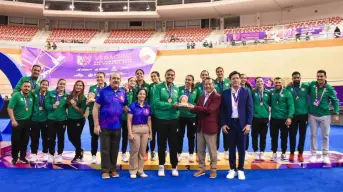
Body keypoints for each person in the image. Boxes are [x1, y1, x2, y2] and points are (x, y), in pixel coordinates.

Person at [93, 72, 128, 179]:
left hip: (117, 126)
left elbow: (125, 107)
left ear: (120, 80)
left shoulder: (123, 92)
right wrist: (96, 125)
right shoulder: (103, 92)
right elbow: (95, 108)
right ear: (110, 80)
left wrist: (136, 112)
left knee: (115, 149)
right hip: (104, 126)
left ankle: (113, 169)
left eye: (118, 78)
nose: (116, 80)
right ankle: (105, 170)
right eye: (114, 78)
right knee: (105, 149)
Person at [220, 71, 253, 180]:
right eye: (233, 78)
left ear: (240, 80)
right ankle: (232, 169)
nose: (235, 80)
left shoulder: (246, 91)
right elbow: (222, 111)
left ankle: (241, 169)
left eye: (237, 78)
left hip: (242, 124)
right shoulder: (225, 93)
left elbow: (250, 109)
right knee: (231, 148)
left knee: (242, 147)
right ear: (230, 80)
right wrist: (223, 124)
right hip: (230, 124)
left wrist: (248, 124)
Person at [186, 77, 221, 178]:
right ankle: (201, 168)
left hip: (210, 127)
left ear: (213, 85)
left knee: (212, 150)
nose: (207, 86)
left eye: (210, 84)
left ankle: (213, 169)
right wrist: (187, 106)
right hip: (200, 127)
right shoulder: (201, 97)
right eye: (206, 84)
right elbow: (197, 109)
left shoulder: (217, 97)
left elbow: (209, 110)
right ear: (203, 85)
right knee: (200, 150)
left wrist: (194, 107)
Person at [308, 70, 339, 164]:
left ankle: (325, 155)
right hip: (313, 115)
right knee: (313, 135)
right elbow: (303, 86)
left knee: (325, 136)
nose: (319, 78)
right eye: (318, 76)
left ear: (325, 77)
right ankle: (313, 154)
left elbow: (335, 101)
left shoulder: (329, 88)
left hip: (325, 116)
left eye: (321, 76)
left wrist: (336, 113)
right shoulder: (312, 85)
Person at [153, 69, 180, 177]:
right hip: (161, 119)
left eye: (172, 75)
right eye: (168, 74)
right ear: (165, 75)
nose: (170, 76)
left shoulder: (176, 88)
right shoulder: (158, 87)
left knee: (174, 144)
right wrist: (170, 105)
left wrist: (179, 106)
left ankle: (174, 166)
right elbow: (156, 102)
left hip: (174, 119)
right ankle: (161, 166)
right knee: (162, 143)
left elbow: (177, 101)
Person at [285, 72, 310, 162]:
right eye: (294, 78)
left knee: (302, 135)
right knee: (292, 135)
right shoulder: (289, 88)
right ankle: (292, 153)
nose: (296, 79)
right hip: (293, 116)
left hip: (304, 115)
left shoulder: (306, 86)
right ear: (292, 78)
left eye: (297, 77)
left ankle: (300, 153)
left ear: (300, 78)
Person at [7, 81, 34, 164]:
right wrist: (13, 120)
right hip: (17, 121)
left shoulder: (30, 96)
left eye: (28, 87)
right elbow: (9, 108)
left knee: (25, 140)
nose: (27, 88)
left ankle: (22, 157)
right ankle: (14, 157)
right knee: (15, 140)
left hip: (27, 122)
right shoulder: (16, 96)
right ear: (21, 87)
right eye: (25, 86)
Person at [128, 88, 152, 179]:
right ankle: (133, 170)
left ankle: (140, 170)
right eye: (140, 94)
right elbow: (129, 120)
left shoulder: (148, 107)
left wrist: (150, 133)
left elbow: (149, 121)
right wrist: (130, 133)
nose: (142, 95)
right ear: (137, 95)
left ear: (146, 96)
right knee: (134, 151)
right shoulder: (132, 106)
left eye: (144, 94)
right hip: (135, 129)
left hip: (145, 130)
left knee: (142, 152)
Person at [270, 77, 294, 161]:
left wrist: (289, 117)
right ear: (274, 83)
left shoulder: (287, 93)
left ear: (282, 83)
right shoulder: (271, 92)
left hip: (284, 119)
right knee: (274, 137)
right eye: (276, 82)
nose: (277, 84)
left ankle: (283, 153)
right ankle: (274, 153)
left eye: (279, 82)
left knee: (284, 137)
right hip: (273, 119)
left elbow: (291, 106)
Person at [45, 79, 68, 163]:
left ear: (65, 85)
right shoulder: (50, 93)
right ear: (57, 84)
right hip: (51, 119)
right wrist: (52, 106)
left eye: (63, 84)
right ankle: (51, 154)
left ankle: (59, 154)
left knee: (61, 138)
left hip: (62, 120)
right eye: (60, 84)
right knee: (51, 138)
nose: (62, 85)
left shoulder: (67, 95)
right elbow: (46, 105)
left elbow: (70, 106)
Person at [87, 72, 106, 164]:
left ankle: (105, 156)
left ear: (104, 78)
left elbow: (107, 101)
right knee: (94, 136)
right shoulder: (92, 88)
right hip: (92, 115)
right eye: (97, 77)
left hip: (105, 116)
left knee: (105, 136)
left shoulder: (108, 88)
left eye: (101, 77)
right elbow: (89, 101)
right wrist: (90, 101)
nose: (99, 79)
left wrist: (94, 100)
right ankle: (93, 155)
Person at [177, 75, 197, 162]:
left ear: (192, 81)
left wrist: (193, 106)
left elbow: (197, 102)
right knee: (179, 135)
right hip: (180, 116)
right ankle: (179, 153)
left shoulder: (195, 90)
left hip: (191, 116)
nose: (188, 81)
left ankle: (191, 154)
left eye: (189, 80)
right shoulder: (179, 89)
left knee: (191, 136)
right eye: (186, 80)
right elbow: (176, 100)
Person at [67, 80, 87, 163]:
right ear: (74, 86)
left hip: (79, 119)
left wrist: (74, 106)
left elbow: (82, 111)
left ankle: (78, 154)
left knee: (77, 137)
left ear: (82, 87)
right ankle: (80, 149)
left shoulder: (83, 98)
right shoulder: (70, 95)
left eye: (80, 85)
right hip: (70, 119)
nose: (78, 87)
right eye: (77, 85)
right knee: (70, 137)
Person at [30, 80, 49, 162]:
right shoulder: (34, 93)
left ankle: (45, 153)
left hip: (45, 119)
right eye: (43, 84)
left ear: (48, 86)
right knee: (34, 137)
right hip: (35, 119)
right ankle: (34, 153)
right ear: (40, 85)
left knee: (45, 137)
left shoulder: (49, 94)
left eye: (46, 85)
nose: (44, 86)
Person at [251, 77, 270, 160]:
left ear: (263, 82)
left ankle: (262, 152)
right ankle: (255, 151)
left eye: (261, 81)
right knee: (254, 135)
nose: (259, 83)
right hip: (255, 117)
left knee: (263, 136)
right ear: (256, 83)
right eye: (258, 81)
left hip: (265, 117)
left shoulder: (268, 92)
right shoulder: (253, 92)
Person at [214, 67, 231, 160]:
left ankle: (226, 151)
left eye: (221, 71)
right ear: (216, 73)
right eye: (218, 72)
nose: (219, 73)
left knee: (226, 131)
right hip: (216, 110)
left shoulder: (228, 82)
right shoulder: (214, 82)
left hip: (226, 110)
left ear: (223, 72)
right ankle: (215, 151)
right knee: (216, 132)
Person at [146, 71, 161, 161]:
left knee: (162, 134)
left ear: (158, 77)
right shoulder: (150, 86)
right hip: (152, 114)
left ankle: (162, 151)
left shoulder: (163, 86)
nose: (153, 78)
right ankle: (152, 151)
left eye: (155, 76)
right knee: (152, 133)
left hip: (161, 114)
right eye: (152, 77)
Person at [121, 77, 136, 162]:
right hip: (123, 117)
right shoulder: (123, 90)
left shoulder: (136, 91)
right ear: (128, 82)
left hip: (133, 117)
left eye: (134, 81)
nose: (132, 82)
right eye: (131, 81)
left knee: (133, 136)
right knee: (125, 136)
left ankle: (133, 153)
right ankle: (123, 153)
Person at [240, 73, 253, 160]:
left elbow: (250, 105)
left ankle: (245, 151)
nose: (243, 79)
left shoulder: (249, 90)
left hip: (246, 116)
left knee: (246, 134)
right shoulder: (234, 89)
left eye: (245, 78)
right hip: (237, 116)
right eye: (242, 78)